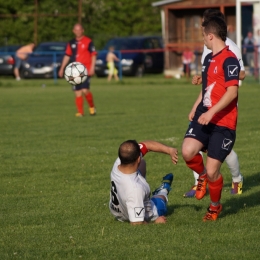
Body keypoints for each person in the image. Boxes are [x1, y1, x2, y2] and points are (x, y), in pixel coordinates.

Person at [182, 16, 240, 221]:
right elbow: (206, 88)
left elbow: (232, 92)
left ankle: (215, 206)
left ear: (211, 35)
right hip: (205, 114)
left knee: (213, 169)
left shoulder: (230, 59)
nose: (203, 41)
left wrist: (211, 112)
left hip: (223, 122)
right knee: (188, 151)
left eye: (204, 36)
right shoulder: (208, 59)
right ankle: (202, 177)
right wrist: (196, 106)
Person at [109, 140, 178, 225]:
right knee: (160, 200)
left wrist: (169, 150)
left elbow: (146, 145)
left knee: (143, 163)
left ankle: (145, 195)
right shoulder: (135, 190)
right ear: (138, 159)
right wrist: (156, 223)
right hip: (130, 215)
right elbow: (137, 223)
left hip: (116, 210)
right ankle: (163, 189)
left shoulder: (118, 162)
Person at [58, 23, 97, 116]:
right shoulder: (71, 43)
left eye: (79, 29)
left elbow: (93, 54)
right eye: (76, 30)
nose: (78, 31)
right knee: (77, 92)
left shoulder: (88, 41)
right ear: (73, 31)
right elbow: (67, 55)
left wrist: (92, 67)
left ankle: (92, 107)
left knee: (85, 90)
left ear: (82, 30)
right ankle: (80, 112)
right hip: (74, 71)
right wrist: (62, 68)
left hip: (86, 69)